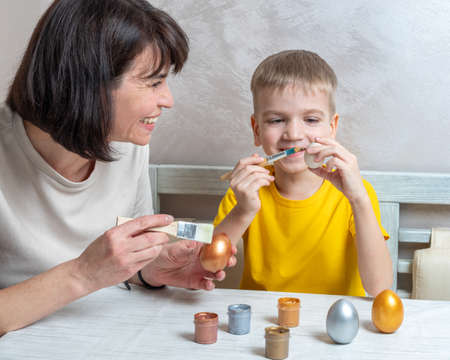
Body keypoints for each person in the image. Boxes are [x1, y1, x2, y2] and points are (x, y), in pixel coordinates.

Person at [0, 0, 235, 335]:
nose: (167, 99)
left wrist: (150, 271)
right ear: (88, 83)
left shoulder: (128, 144)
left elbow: (119, 268)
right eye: (154, 82)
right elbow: (90, 273)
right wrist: (82, 273)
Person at [213, 50, 392, 297]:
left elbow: (379, 287)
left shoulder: (356, 194)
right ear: (256, 129)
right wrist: (243, 210)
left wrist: (358, 199)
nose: (294, 134)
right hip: (264, 324)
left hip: (333, 326)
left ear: (332, 128)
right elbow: (210, 265)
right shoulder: (245, 193)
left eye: (310, 119)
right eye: (277, 120)